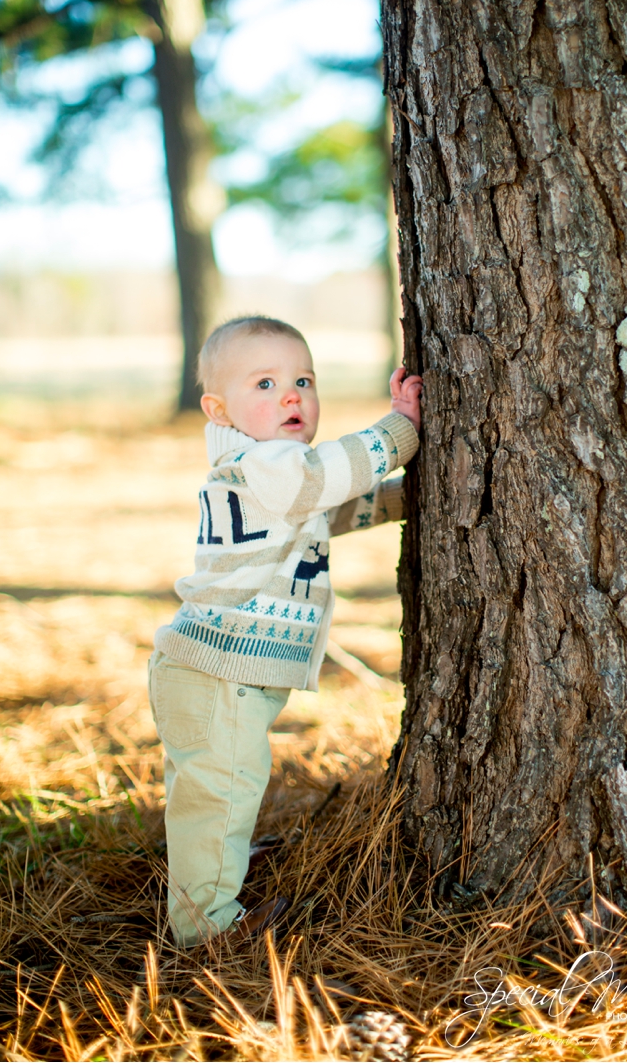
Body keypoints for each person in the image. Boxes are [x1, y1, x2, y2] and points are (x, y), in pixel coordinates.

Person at [148, 315, 422, 946]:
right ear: (220, 410)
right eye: (265, 384)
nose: (292, 396)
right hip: (218, 672)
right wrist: (399, 431)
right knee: (218, 798)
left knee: (212, 798)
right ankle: (205, 929)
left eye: (303, 379)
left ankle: (218, 867)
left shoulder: (262, 470)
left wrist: (407, 497)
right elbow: (333, 474)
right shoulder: (270, 463)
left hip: (213, 671)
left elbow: (329, 509)